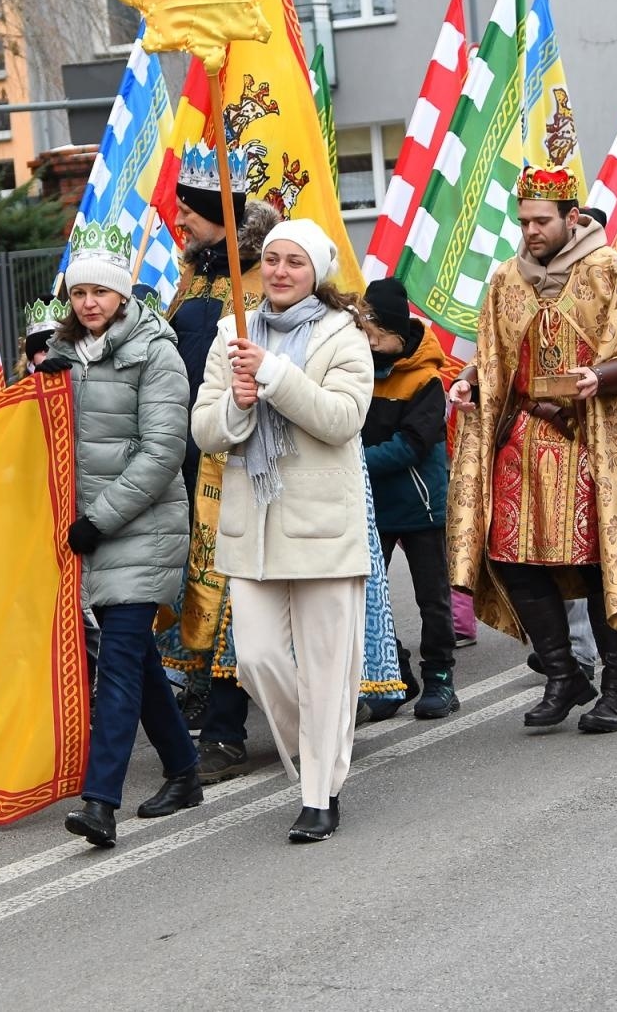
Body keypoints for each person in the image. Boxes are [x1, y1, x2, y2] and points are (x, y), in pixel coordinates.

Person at [447, 166, 617, 735]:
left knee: (605, 564)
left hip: (591, 441)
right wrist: (472, 380)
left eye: (540, 221)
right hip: (524, 442)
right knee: (510, 558)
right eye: (523, 221)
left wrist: (599, 378)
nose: (529, 231)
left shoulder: (612, 274)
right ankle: (562, 674)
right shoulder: (507, 280)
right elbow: (497, 355)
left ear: (571, 218)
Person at [191, 218, 373, 842]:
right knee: (256, 658)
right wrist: (238, 403)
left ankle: (320, 792)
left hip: (322, 527)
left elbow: (341, 419)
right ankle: (327, 742)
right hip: (254, 530)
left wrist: (274, 376)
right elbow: (205, 432)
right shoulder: (228, 336)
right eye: (271, 259)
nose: (279, 271)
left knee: (327, 668)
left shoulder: (343, 334)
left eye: (294, 261)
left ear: (316, 272)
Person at [36, 224, 198, 849]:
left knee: (121, 666)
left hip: (140, 527)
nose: (89, 303)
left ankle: (100, 802)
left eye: (100, 291)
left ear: (123, 295)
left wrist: (100, 518)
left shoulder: (156, 351)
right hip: (86, 533)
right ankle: (183, 770)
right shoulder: (60, 353)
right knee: (139, 663)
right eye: (79, 292)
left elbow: (161, 453)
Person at [158, 144, 281, 783]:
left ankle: (228, 733)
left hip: (240, 463)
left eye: (190, 216)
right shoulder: (191, 281)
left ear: (219, 218)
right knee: (199, 591)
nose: (180, 225)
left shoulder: (253, 287)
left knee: (235, 594)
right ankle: (207, 696)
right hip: (187, 458)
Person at [358, 277, 457, 720]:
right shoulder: (357, 366)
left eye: (376, 330)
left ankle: (440, 677)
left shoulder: (426, 379)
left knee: (431, 597)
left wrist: (353, 461)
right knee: (367, 593)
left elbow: (413, 444)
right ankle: (394, 673)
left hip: (420, 504)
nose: (369, 338)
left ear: (397, 330)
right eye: (365, 329)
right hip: (371, 502)